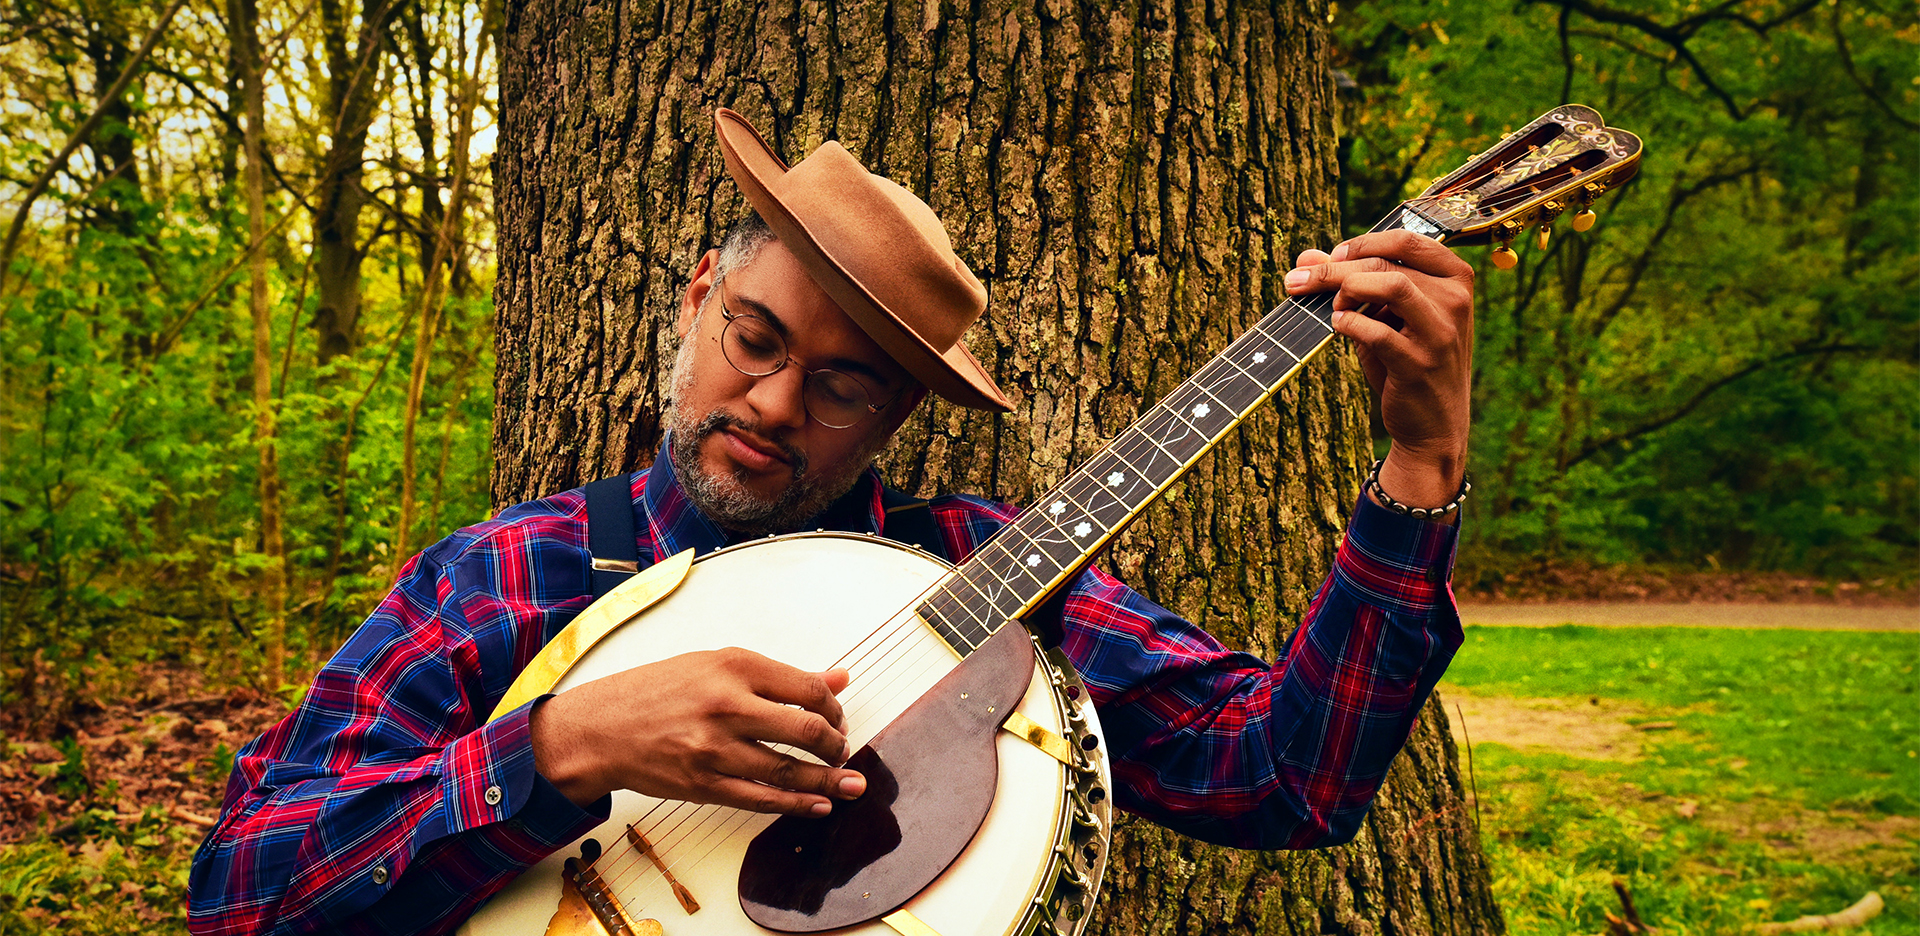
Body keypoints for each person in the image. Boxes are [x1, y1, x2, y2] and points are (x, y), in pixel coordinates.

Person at [187, 108, 1475, 936]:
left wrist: (1420, 462)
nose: (776, 400)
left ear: (897, 416)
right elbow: (244, 893)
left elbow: (1282, 775)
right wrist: (564, 744)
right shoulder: (503, 578)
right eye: (756, 335)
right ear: (701, 298)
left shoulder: (984, 571)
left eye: (846, 383)